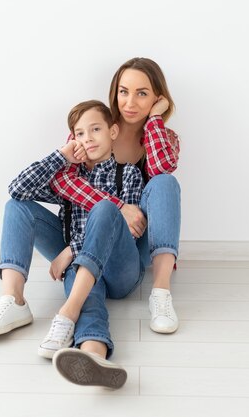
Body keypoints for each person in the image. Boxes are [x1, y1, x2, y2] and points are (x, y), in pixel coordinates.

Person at [0, 100, 143, 389]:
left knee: (106, 210)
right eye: (79, 133)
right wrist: (61, 156)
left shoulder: (127, 173)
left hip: (120, 270)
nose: (87, 138)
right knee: (17, 207)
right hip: (81, 270)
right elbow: (18, 189)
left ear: (113, 131)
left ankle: (67, 312)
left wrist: (71, 250)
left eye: (95, 129)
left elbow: (132, 230)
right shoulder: (69, 177)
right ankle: (94, 356)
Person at [51, 57, 181, 334]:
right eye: (124, 92)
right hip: (86, 233)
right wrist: (118, 206)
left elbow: (161, 168)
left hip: (131, 247)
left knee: (165, 183)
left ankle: (161, 294)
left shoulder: (164, 136)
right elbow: (63, 180)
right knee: (18, 206)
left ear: (158, 98)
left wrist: (154, 121)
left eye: (142, 93)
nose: (130, 103)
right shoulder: (94, 127)